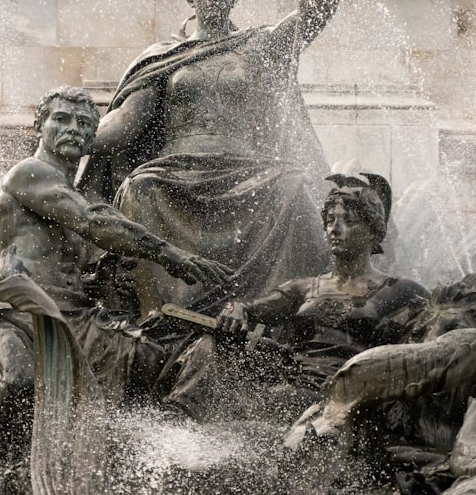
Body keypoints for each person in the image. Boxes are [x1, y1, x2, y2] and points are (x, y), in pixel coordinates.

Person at [78, 0, 343, 317]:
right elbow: (127, 121)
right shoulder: (164, 56)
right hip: (175, 170)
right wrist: (74, 137)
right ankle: (161, 318)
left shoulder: (258, 46)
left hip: (244, 169)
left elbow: (320, 3)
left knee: (292, 190)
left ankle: (272, 316)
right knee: (140, 189)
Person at [0, 86, 230, 459]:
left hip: (76, 320)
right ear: (39, 126)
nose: (72, 129)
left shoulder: (67, 192)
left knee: (162, 361)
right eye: (60, 119)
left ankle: (165, 447)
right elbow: (92, 220)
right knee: (20, 382)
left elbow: (77, 261)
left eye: (82, 123)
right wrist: (172, 254)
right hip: (22, 316)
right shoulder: (28, 174)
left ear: (93, 137)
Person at [159, 171, 429, 421]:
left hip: (340, 391)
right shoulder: (304, 287)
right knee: (212, 340)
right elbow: (250, 307)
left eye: (349, 221)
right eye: (330, 220)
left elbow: (436, 335)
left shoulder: (400, 289)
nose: (335, 229)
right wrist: (236, 309)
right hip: (291, 375)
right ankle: (178, 417)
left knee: (277, 401)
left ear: (374, 231)